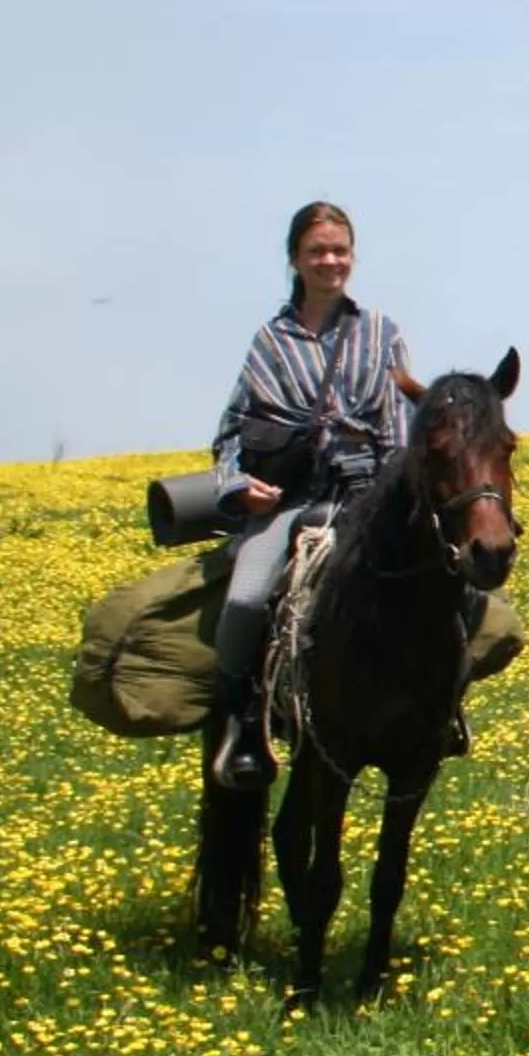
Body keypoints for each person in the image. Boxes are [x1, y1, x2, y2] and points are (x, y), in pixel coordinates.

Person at [205, 201, 426, 790]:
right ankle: (239, 718)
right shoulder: (270, 343)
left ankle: (436, 711)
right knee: (248, 598)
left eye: (340, 250)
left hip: (363, 498)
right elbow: (229, 432)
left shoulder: (381, 333)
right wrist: (238, 486)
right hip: (288, 500)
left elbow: (400, 433)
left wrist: (391, 499)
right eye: (317, 252)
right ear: (295, 261)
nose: (331, 261)